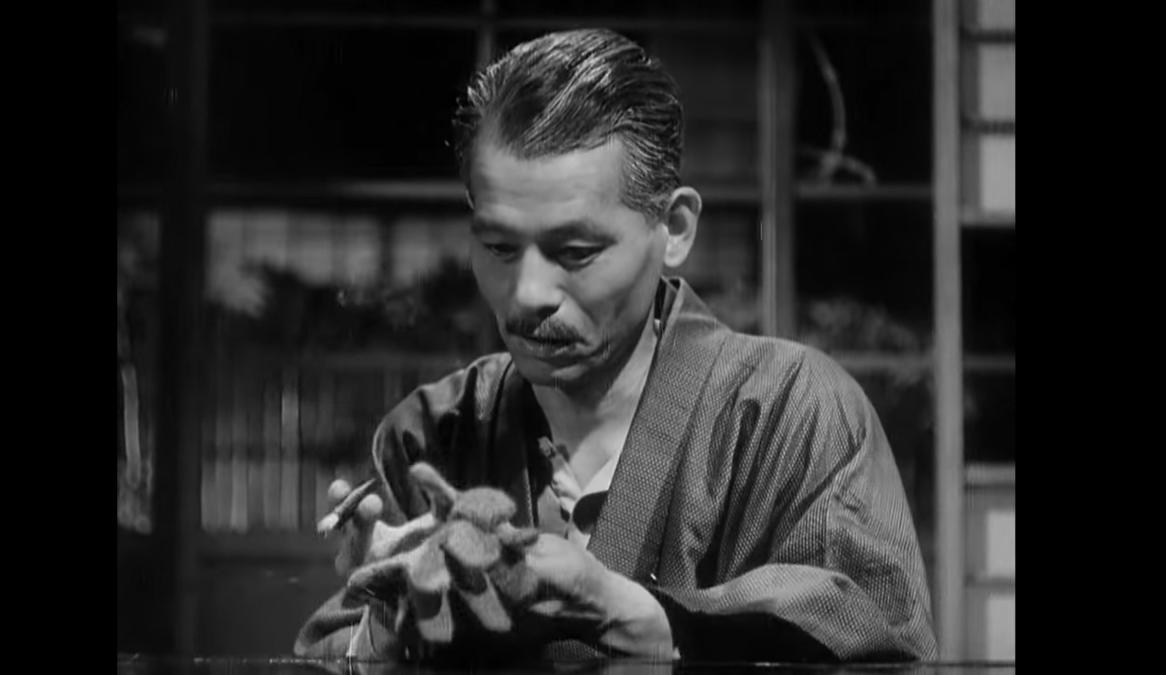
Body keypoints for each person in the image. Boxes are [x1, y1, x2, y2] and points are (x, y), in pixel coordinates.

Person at [294, 27, 937, 665]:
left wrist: (628, 615)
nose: (527, 294)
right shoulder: (433, 433)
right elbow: (335, 650)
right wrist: (384, 627)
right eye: (497, 247)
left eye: (575, 252)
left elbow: (871, 639)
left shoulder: (792, 413)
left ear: (674, 228)